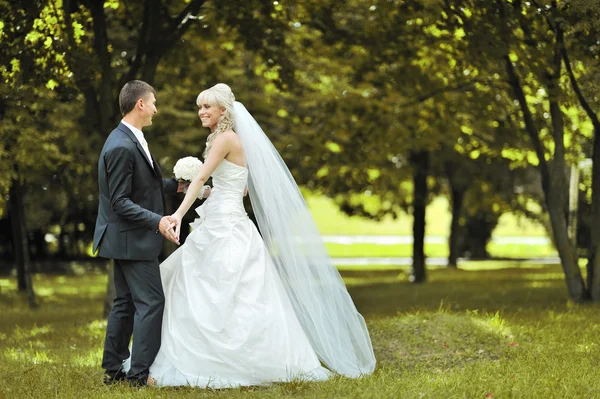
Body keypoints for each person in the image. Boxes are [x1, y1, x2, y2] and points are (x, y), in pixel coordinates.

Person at [141, 83, 376, 388]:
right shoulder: (231, 139)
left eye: (206, 107)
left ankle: (209, 360)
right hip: (229, 219)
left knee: (209, 286)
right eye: (199, 107)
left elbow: (200, 177)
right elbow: (241, 187)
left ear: (223, 111)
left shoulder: (225, 138)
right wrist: (216, 192)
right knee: (218, 287)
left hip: (224, 226)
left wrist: (178, 215)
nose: (200, 112)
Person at [93, 80, 186, 386]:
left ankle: (114, 370)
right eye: (153, 102)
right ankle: (138, 375)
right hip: (131, 238)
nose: (156, 108)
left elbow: (144, 187)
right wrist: (158, 221)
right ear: (140, 104)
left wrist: (177, 185)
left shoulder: (131, 138)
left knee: (126, 302)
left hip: (125, 238)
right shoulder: (121, 146)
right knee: (151, 302)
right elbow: (120, 202)